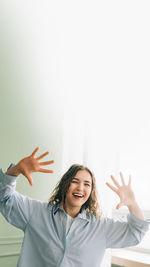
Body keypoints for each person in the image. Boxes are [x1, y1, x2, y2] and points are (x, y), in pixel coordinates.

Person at [0, 147, 149, 267]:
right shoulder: (36, 212)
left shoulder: (101, 227)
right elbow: (4, 197)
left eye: (87, 184)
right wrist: (16, 170)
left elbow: (135, 233)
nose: (80, 188)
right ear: (65, 185)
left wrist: (132, 203)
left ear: (91, 192)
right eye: (75, 181)